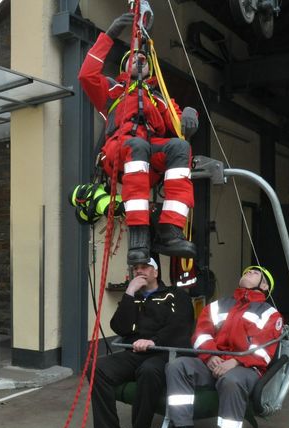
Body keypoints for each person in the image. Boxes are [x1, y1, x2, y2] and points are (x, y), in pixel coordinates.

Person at [78, 12, 199, 266]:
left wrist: (190, 113)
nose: (139, 59)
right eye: (133, 57)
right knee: (137, 145)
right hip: (119, 152)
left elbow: (180, 126)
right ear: (123, 67)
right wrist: (109, 35)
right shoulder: (113, 91)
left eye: (143, 59)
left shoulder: (159, 99)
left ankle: (170, 230)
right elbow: (87, 75)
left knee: (180, 146)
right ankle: (138, 236)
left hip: (147, 156)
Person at [154, 266, 283, 428]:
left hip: (245, 368)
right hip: (213, 362)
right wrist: (210, 356)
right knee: (176, 367)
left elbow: (264, 350)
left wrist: (235, 361)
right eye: (247, 271)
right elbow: (201, 334)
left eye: (255, 273)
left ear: (265, 286)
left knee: (231, 382)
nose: (248, 273)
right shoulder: (218, 306)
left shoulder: (269, 314)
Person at [83, 257, 194, 428]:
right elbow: (120, 327)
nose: (139, 271)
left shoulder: (175, 295)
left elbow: (181, 325)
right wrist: (129, 293)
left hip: (164, 352)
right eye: (136, 268)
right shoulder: (134, 297)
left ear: (156, 272)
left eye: (145, 267)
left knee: (149, 370)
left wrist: (154, 341)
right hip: (135, 352)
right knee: (96, 367)